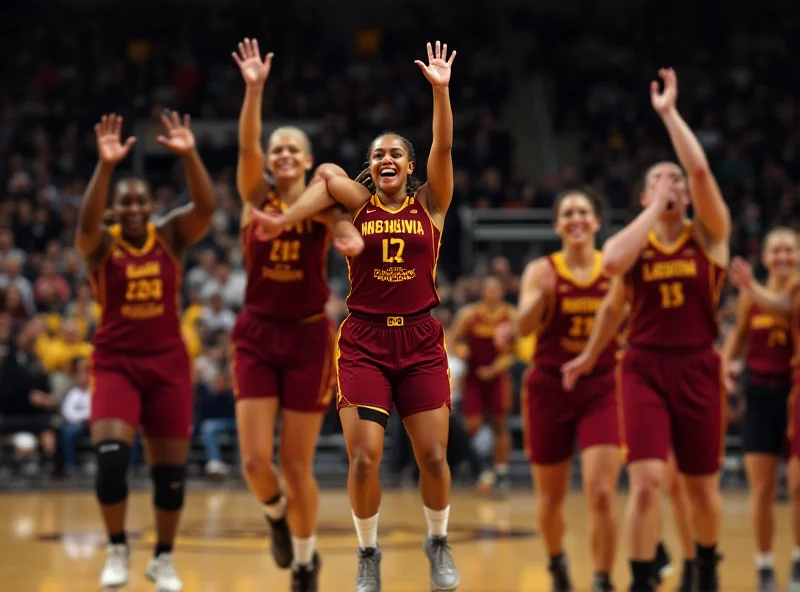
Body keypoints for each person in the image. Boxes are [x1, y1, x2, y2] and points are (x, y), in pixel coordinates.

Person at [251, 40, 458, 592]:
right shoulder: (357, 206)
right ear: (370, 168)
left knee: (434, 456)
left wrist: (439, 91)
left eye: (395, 154)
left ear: (410, 167)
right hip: (364, 340)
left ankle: (437, 538)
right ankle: (368, 553)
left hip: (419, 340)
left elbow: (443, 145)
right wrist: (282, 221)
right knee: (364, 459)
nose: (386, 159)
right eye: (377, 155)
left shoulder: (432, 205)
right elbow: (323, 171)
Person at [562, 68, 731, 592]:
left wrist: (668, 114)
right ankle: (638, 582)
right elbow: (610, 274)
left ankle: (704, 565)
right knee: (646, 484)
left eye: (674, 178)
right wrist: (590, 356)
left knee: (701, 492)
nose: (672, 184)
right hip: (643, 367)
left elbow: (701, 172)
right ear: (642, 198)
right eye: (658, 181)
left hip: (699, 365)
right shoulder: (636, 246)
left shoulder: (710, 237)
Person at [230, 38, 364, 592]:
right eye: (277, 148)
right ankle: (277, 515)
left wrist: (346, 232)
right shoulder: (251, 196)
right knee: (257, 464)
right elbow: (245, 150)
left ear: (308, 162)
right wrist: (255, 90)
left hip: (309, 338)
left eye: (293, 149)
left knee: (297, 462)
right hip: (258, 335)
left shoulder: (323, 204)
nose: (282, 154)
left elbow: (352, 221)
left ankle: (307, 561)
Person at [76, 111, 215, 591]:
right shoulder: (100, 246)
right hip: (116, 364)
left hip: (169, 365)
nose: (134, 208)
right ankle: (117, 547)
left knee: (169, 474)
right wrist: (106, 167)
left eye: (141, 201)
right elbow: (86, 220)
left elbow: (207, 206)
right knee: (112, 461)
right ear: (116, 209)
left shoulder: (171, 236)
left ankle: (162, 558)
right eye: (125, 203)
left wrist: (190, 153)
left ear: (151, 205)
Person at [513, 190, 622, 592]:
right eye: (568, 213)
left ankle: (603, 579)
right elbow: (523, 328)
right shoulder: (540, 269)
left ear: (595, 222)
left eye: (584, 212)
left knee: (602, 492)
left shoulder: (613, 269)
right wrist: (541, 294)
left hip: (601, 385)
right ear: (558, 225)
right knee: (551, 497)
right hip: (548, 385)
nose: (576, 219)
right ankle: (557, 563)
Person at [723, 228, 797, 591]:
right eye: (776, 250)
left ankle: (797, 560)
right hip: (761, 396)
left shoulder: (794, 292)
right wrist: (723, 365)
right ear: (766, 257)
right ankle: (765, 564)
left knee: (798, 487)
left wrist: (751, 286)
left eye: (790, 250)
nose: (783, 257)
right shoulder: (750, 297)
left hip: (794, 393)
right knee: (762, 489)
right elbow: (738, 337)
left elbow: (781, 306)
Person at [449, 276, 515, 496]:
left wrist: (496, 368)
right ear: (483, 292)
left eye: (497, 289)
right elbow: (453, 339)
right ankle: (472, 463)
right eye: (489, 289)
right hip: (474, 376)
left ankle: (501, 470)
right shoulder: (470, 314)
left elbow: (516, 350)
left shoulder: (511, 316)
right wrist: (461, 351)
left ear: (502, 292)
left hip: (498, 376)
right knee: (472, 424)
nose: (493, 293)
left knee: (500, 423)